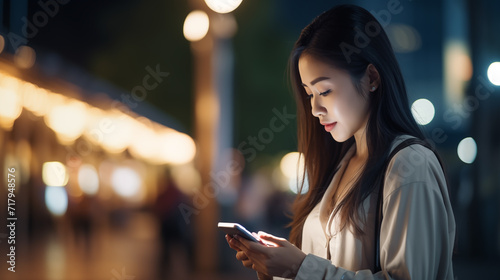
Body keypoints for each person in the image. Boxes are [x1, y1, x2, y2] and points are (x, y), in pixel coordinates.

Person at [225, 4, 456, 280]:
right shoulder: (341, 164)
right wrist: (274, 268)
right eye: (310, 94)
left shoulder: (409, 165)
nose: (314, 109)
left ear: (371, 77)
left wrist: (299, 267)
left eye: (325, 90)